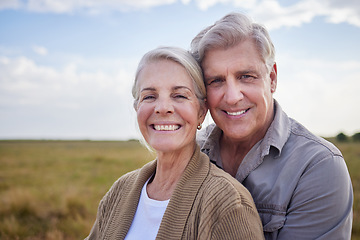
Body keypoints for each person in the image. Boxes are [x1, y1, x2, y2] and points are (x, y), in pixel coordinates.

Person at [190, 12, 353, 239]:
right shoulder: (190, 152)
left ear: (272, 78)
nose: (233, 96)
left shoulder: (318, 166)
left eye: (246, 76)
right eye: (216, 81)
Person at [85, 46, 264, 240]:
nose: (163, 108)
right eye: (150, 96)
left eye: (179, 95)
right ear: (137, 108)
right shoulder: (120, 191)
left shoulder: (229, 204)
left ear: (201, 112)